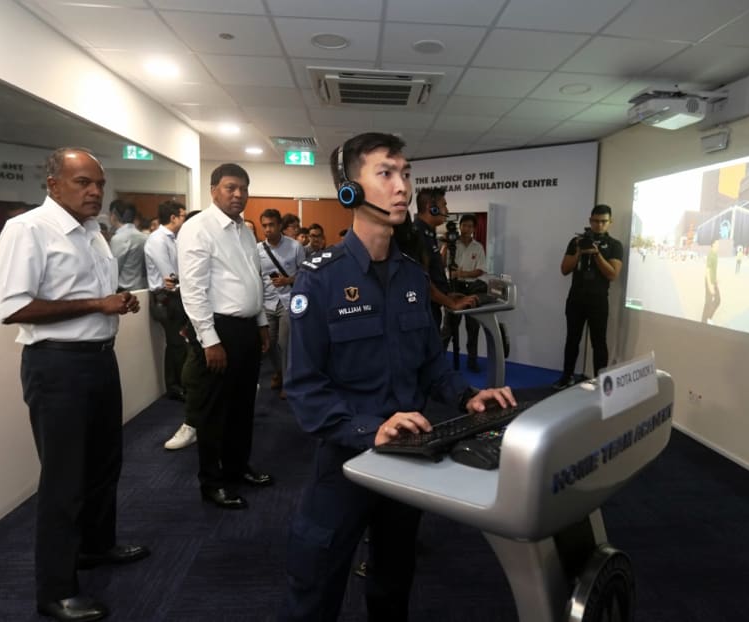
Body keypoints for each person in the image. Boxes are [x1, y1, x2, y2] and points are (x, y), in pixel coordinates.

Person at [279, 132, 516, 621]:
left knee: (393, 580)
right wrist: (372, 428)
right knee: (315, 583)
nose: (403, 186)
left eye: (405, 173)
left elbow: (430, 363)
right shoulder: (319, 279)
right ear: (349, 190)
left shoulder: (411, 276)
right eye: (386, 173)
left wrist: (468, 395)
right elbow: (304, 388)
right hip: (348, 459)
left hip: (410, 458)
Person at [0, 147, 149, 622]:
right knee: (64, 481)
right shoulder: (28, 229)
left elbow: (92, 296)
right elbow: (12, 308)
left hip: (99, 360)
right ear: (53, 184)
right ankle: (56, 590)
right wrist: (96, 305)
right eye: (83, 182)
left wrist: (116, 303)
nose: (95, 191)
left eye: (99, 183)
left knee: (105, 464)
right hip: (57, 367)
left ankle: (96, 547)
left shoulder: (95, 233)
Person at [177, 163, 273, 510]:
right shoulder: (198, 228)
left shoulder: (243, 230)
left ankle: (237, 468)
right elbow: (193, 289)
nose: (238, 194)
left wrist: (261, 321)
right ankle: (212, 483)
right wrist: (209, 339)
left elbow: (254, 279)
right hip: (218, 331)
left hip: (246, 329)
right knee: (214, 411)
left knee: (242, 407)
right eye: (231, 188)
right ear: (214, 189)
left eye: (243, 188)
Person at [145, 199, 197, 450]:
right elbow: (169, 274)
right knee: (175, 343)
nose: (184, 220)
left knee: (179, 343)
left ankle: (178, 385)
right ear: (173, 217)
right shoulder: (158, 239)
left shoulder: (173, 239)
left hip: (176, 295)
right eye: (182, 216)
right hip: (166, 297)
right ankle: (174, 387)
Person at [553, 204, 623, 389]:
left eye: (603, 221)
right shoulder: (576, 242)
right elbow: (564, 269)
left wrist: (596, 254)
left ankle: (601, 384)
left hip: (598, 301)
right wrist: (579, 252)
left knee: (599, 343)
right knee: (572, 340)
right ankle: (566, 377)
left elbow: (613, 274)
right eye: (595, 221)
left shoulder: (615, 245)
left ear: (610, 222)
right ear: (589, 221)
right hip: (576, 298)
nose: (599, 225)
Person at [413, 187, 477, 335]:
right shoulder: (417, 235)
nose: (447, 211)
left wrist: (447, 295)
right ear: (432, 208)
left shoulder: (429, 234)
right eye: (444, 205)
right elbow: (422, 282)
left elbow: (433, 272)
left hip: (431, 308)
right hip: (422, 313)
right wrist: (452, 303)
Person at [257, 208, 305, 399]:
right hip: (267, 302)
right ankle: (278, 371)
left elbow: (305, 274)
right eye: (264, 226)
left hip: (289, 301)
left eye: (271, 225)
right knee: (269, 344)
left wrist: (288, 280)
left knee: (284, 344)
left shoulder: (295, 247)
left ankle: (287, 382)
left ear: (279, 226)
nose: (267, 229)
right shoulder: (258, 250)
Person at [448, 213, 487, 372]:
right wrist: (445, 245)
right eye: (464, 225)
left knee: (473, 327)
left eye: (470, 226)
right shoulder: (452, 244)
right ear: (460, 226)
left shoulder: (478, 247)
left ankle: (472, 362)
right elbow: (442, 263)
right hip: (453, 287)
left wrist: (462, 274)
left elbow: (479, 271)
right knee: (449, 327)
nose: (467, 229)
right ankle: (439, 361)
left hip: (471, 288)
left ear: (474, 229)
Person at [109, 200, 148, 291]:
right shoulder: (144, 237)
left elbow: (113, 270)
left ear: (113, 216)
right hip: (143, 288)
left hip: (124, 291)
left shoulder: (119, 238)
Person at [701, 238, 720, 324]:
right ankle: (703, 322)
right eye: (717, 243)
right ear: (712, 244)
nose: (718, 245)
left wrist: (716, 279)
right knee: (708, 303)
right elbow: (707, 271)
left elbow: (713, 269)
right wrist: (710, 285)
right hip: (709, 282)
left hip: (713, 281)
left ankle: (708, 318)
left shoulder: (715, 254)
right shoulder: (711, 255)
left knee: (717, 300)